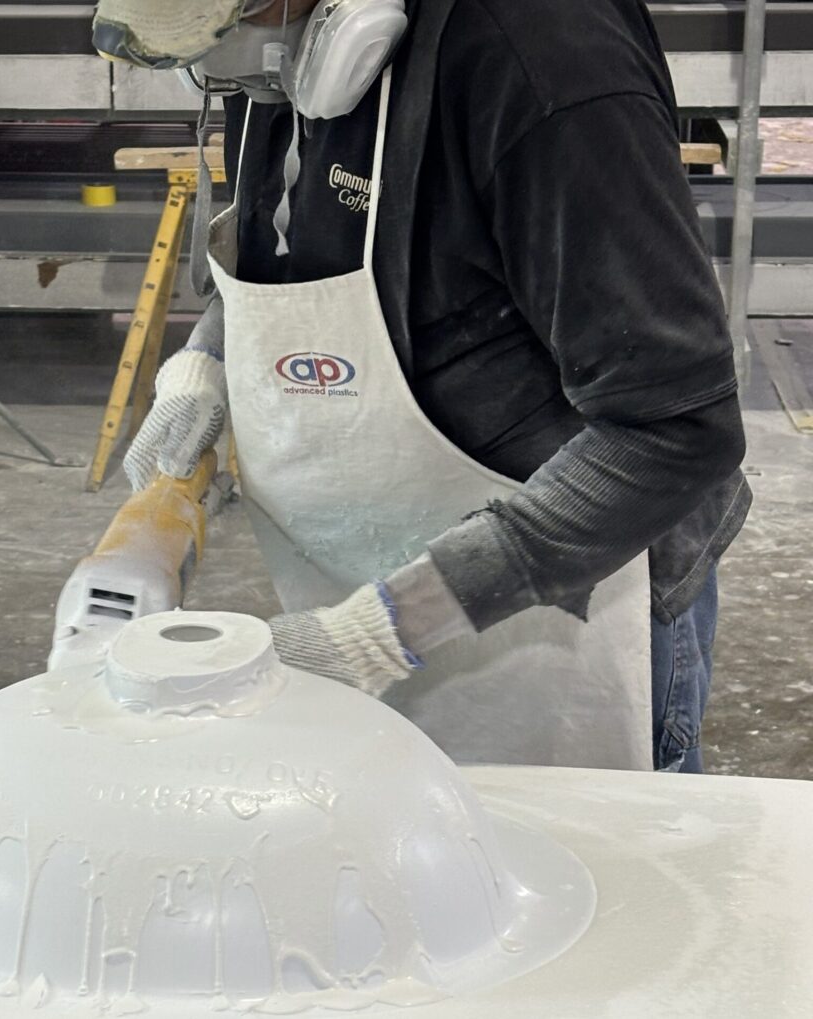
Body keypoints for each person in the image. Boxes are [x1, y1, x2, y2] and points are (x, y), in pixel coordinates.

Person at [94, 0, 751, 772]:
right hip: (363, 590)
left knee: (584, 872)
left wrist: (378, 634)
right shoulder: (280, 44)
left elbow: (676, 429)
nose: (220, 65)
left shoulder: (546, 56)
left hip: (562, 612)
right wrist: (198, 384)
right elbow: (289, 244)